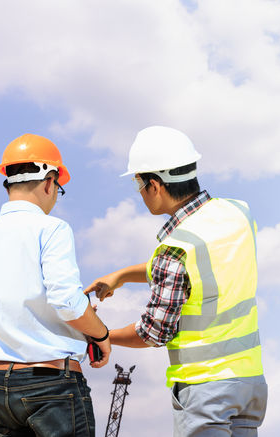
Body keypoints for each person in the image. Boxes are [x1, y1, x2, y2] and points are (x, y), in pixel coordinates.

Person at [86, 126, 267, 436]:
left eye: (138, 185)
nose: (140, 194)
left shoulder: (176, 247)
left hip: (205, 390)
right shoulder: (237, 213)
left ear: (154, 185)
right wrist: (122, 276)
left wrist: (102, 335)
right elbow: (199, 268)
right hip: (250, 385)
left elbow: (153, 332)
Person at [0, 133, 112, 437]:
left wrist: (73, 313)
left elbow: (9, 310)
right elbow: (66, 301)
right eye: (59, 188)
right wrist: (100, 332)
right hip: (52, 387)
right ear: (49, 181)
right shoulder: (52, 229)